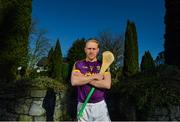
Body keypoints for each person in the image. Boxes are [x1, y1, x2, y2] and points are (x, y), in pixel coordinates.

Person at [71, 38, 111, 121]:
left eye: (94, 49)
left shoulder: (104, 65)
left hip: (100, 106)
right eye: (89, 48)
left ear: (98, 50)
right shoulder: (78, 64)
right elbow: (74, 82)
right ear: (85, 49)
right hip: (83, 105)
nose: (91, 51)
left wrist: (82, 77)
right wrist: (94, 77)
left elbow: (107, 85)